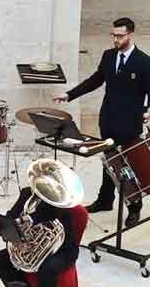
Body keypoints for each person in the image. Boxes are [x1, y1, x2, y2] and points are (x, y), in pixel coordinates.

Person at [54, 17, 150, 224]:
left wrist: (146, 110)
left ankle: (134, 207)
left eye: (120, 35)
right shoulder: (109, 56)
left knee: (126, 165)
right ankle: (105, 200)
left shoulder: (144, 61)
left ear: (130, 35)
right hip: (108, 119)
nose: (115, 39)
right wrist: (70, 95)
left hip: (130, 123)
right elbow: (95, 80)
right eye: (113, 35)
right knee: (108, 162)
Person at [0, 187, 79, 287]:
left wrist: (29, 220)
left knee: (48, 269)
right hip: (33, 246)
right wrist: (12, 234)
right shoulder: (27, 193)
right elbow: (11, 217)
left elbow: (49, 215)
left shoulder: (60, 199)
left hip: (62, 249)